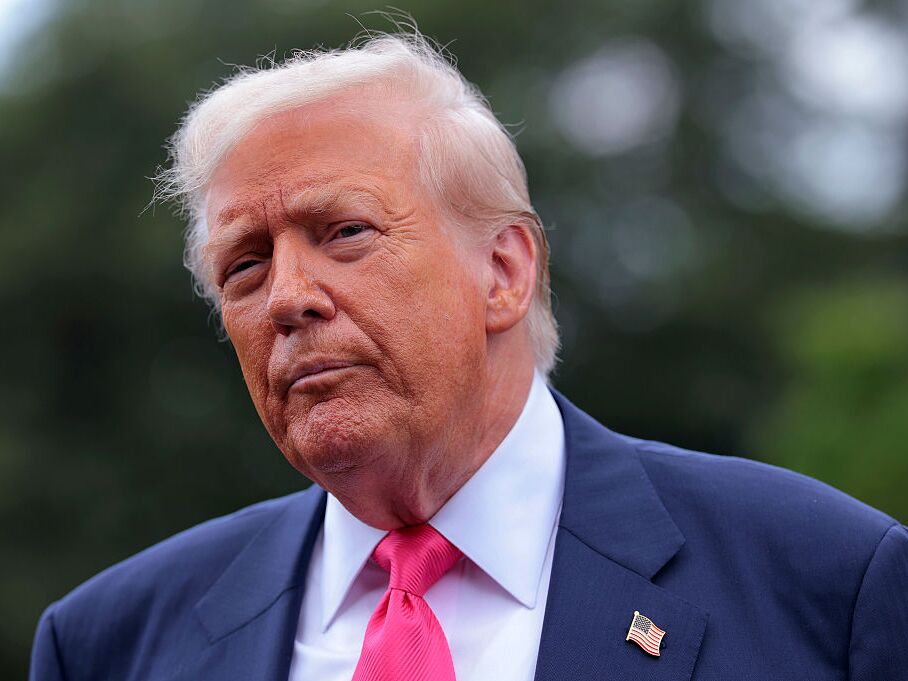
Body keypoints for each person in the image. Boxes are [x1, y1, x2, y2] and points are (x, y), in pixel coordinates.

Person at [30, 31, 907, 681]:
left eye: (345, 232)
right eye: (245, 264)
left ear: (503, 271)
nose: (289, 296)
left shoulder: (826, 584)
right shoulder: (109, 644)